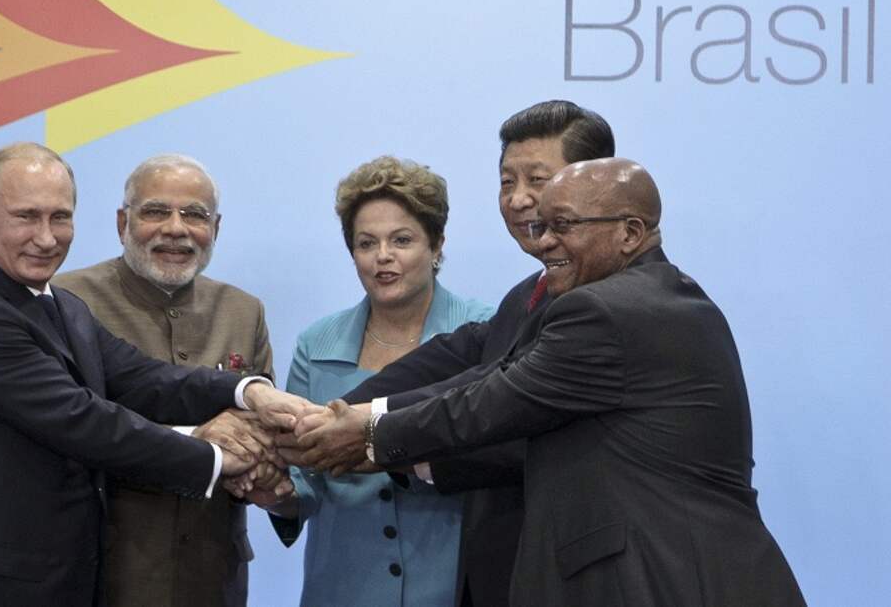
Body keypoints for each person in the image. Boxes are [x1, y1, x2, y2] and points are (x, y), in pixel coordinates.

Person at [297, 158, 807, 606]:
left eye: (563, 226)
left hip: (678, 580)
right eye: (543, 226)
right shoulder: (652, 295)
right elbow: (488, 375)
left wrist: (368, 433)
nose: (543, 242)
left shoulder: (608, 310)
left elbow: (493, 401)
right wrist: (356, 416)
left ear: (631, 233)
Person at [0, 142, 303, 606]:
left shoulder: (61, 306)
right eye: (26, 216)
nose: (46, 238)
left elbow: (144, 379)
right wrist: (215, 453)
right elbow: (84, 421)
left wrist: (251, 391)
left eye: (60, 217)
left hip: (59, 585)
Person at [322, 100, 615, 607]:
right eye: (507, 182)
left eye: (538, 180)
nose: (519, 199)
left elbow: (508, 419)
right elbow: (458, 360)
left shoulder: (607, 304)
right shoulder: (527, 296)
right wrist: (328, 416)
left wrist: (372, 436)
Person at [261, 156, 492, 606]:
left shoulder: (484, 330)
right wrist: (275, 494)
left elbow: (494, 459)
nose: (382, 256)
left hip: (453, 585)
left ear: (437, 245)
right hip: (342, 587)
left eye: (401, 240)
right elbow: (304, 482)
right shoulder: (316, 343)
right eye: (366, 243)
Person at [52, 154, 274, 606]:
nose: (176, 228)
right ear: (123, 223)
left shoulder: (243, 310)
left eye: (195, 215)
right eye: (156, 211)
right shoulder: (68, 301)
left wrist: (262, 461)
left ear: (215, 228)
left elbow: (259, 435)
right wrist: (202, 439)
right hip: (103, 574)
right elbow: (68, 434)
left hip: (212, 578)